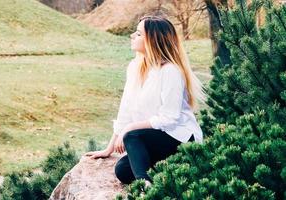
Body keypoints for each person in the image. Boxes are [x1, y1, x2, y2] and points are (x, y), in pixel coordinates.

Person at [85, 15, 205, 187]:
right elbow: (125, 110)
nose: (132, 36)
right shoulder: (135, 67)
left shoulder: (170, 71)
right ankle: (163, 175)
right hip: (154, 138)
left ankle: (145, 188)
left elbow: (169, 118)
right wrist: (109, 149)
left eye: (139, 34)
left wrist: (129, 128)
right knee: (122, 171)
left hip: (180, 137)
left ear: (153, 40)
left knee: (133, 136)